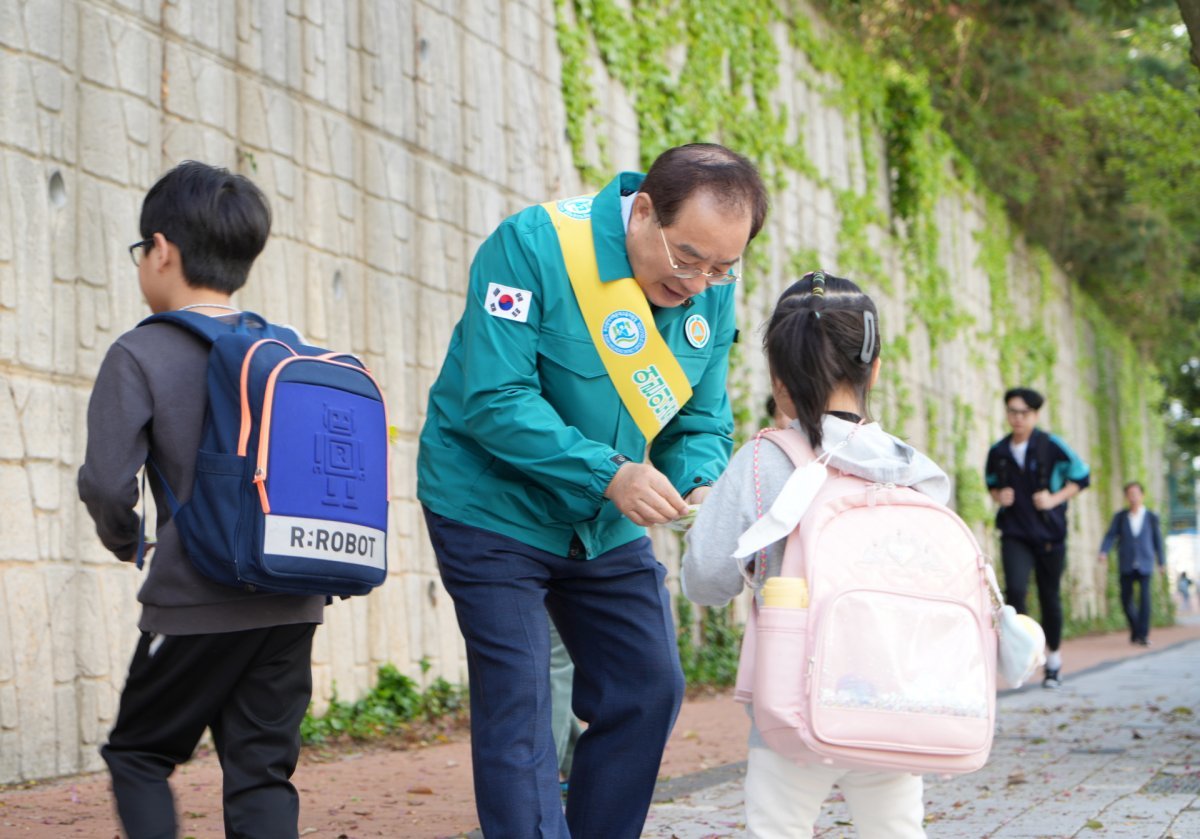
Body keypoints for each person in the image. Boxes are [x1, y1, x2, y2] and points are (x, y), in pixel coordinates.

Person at [417, 143, 769, 837]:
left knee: (648, 684)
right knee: (520, 702)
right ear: (642, 212)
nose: (700, 281)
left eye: (723, 266)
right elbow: (492, 398)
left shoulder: (713, 292)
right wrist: (611, 474)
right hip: (491, 506)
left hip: (601, 522)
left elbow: (701, 417)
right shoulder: (535, 246)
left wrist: (699, 482)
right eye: (687, 258)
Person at [78, 162, 324, 839]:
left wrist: (129, 538)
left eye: (141, 252)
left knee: (139, 752)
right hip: (292, 600)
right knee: (261, 773)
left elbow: (105, 481)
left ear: (162, 250)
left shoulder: (140, 353)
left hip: (195, 603)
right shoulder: (285, 349)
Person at [681, 272, 946, 837]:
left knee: (777, 827)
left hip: (790, 706)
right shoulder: (916, 472)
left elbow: (705, 580)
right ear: (873, 369)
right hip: (893, 701)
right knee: (895, 829)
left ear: (779, 383)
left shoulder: (762, 462)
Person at [985, 387, 1090, 689]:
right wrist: (998, 495)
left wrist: (1055, 499)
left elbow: (1082, 476)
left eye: (1024, 413)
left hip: (1049, 535)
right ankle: (1027, 655)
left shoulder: (1051, 445)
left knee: (1049, 597)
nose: (1017, 418)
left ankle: (1053, 660)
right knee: (1015, 594)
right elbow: (991, 483)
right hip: (1015, 532)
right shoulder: (999, 452)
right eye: (1012, 412)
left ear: (1035, 415)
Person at [1098, 482, 1166, 645]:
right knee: (1125, 599)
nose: (1133, 497)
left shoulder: (1151, 517)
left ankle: (1143, 635)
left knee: (1144, 599)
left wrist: (1161, 562)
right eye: (1130, 494)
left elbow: (1157, 540)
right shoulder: (1120, 517)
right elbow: (1110, 535)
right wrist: (1104, 551)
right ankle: (1136, 628)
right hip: (1127, 563)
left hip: (1145, 562)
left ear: (1142, 495)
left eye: (1136, 493)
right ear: (1126, 497)